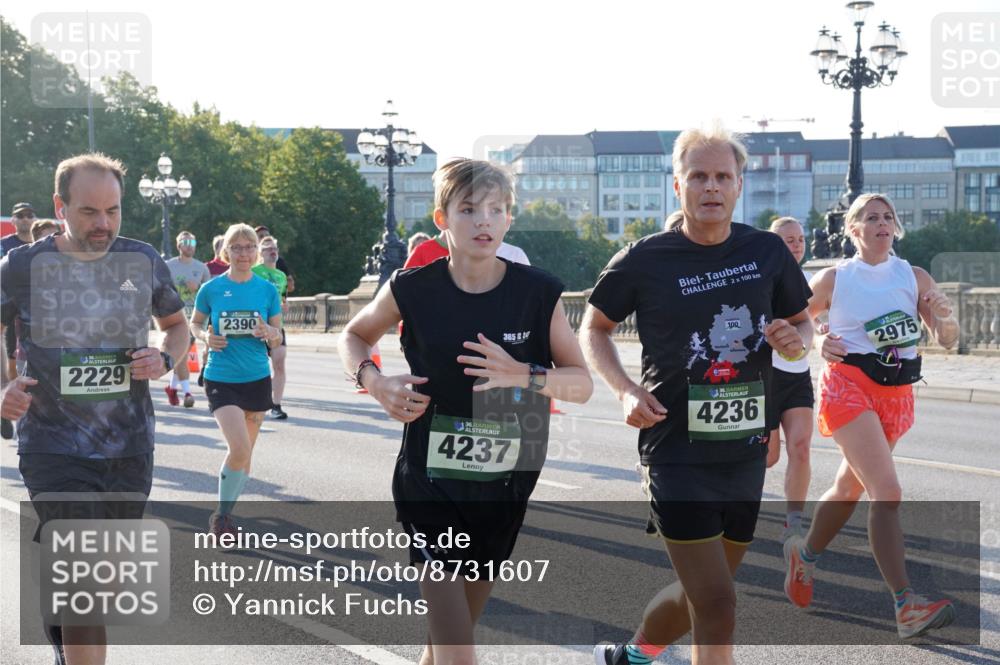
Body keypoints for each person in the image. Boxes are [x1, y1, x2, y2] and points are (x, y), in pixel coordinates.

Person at [339, 158, 592, 665]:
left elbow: (582, 383)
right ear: (442, 219)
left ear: (509, 219)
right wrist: (374, 381)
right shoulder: (411, 287)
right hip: (430, 476)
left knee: (447, 643)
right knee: (460, 652)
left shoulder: (538, 291)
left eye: (497, 210)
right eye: (469, 209)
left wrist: (523, 375)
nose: (484, 221)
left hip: (508, 478)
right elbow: (354, 335)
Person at [582, 125, 812, 665]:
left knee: (700, 594)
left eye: (723, 177)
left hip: (744, 448)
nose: (712, 186)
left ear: (738, 186)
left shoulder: (767, 252)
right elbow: (593, 328)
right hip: (674, 449)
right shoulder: (644, 258)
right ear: (677, 185)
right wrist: (624, 390)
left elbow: (802, 325)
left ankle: (633, 656)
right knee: (718, 601)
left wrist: (795, 342)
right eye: (699, 176)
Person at [1, 153, 187, 665]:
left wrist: (165, 357)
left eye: (113, 210)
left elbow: (176, 323)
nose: (103, 224)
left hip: (128, 447)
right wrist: (4, 387)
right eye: (88, 212)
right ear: (60, 207)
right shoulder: (22, 266)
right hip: (52, 444)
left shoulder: (143, 259)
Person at [784, 193, 959, 639]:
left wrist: (944, 318)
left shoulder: (913, 275)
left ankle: (804, 556)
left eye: (888, 217)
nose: (882, 223)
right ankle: (906, 604)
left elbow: (947, 340)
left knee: (848, 487)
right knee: (887, 490)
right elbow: (796, 323)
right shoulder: (834, 279)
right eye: (871, 218)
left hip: (897, 394)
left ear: (895, 228)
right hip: (848, 387)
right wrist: (819, 343)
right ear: (853, 229)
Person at [190, 223, 282, 537]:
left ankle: (228, 509)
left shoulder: (268, 290)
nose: (243, 253)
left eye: (249, 247)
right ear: (226, 251)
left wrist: (269, 333)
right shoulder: (212, 288)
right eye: (236, 247)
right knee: (239, 448)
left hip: (257, 377)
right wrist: (205, 337)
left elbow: (277, 335)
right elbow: (195, 324)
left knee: (246, 455)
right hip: (221, 377)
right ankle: (222, 516)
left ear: (257, 251)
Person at [766, 216, 815, 541]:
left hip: (798, 375)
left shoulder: (811, 277)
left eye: (799, 239)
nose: (796, 245)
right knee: (767, 457)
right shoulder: (761, 277)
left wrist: (821, 334)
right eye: (788, 240)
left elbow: (816, 319)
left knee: (801, 447)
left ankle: (793, 522)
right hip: (766, 377)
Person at [165, 231, 211, 407]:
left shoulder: (202, 268)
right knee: (182, 354)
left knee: (181, 355)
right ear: (179, 245)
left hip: (195, 319)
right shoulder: (168, 266)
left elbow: (209, 295)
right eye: (185, 241)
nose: (190, 245)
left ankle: (172, 388)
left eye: (192, 241)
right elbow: (159, 288)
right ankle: (187, 393)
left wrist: (198, 287)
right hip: (174, 317)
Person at [252, 235, 290, 420]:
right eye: (267, 248)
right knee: (258, 366)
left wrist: (284, 305)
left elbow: (283, 298)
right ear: (260, 253)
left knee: (280, 363)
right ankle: (254, 399)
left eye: (274, 248)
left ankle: (276, 405)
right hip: (256, 326)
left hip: (276, 326)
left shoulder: (281, 276)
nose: (272, 251)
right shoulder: (253, 272)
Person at [254, 225, 295, 293]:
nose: (265, 238)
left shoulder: (280, 264)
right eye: (261, 236)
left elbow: (289, 288)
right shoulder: (249, 264)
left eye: (274, 248)